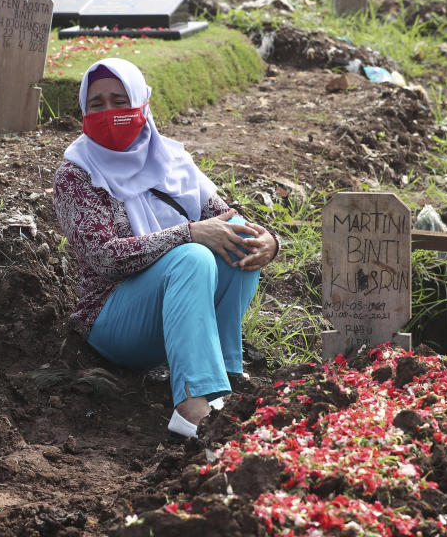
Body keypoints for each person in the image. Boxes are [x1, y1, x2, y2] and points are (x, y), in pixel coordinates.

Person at [53, 58, 279, 439]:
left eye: (120, 100)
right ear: (83, 111)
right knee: (191, 255)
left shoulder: (174, 162)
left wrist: (271, 242)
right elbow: (105, 257)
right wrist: (186, 233)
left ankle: (225, 379)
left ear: (142, 103)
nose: (110, 112)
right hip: (115, 320)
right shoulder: (76, 176)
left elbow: (225, 221)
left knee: (238, 235)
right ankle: (192, 407)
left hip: (176, 315)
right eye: (97, 104)